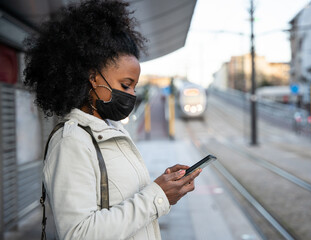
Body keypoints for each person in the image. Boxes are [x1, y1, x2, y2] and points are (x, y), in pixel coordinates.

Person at [23, 1, 201, 239]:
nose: (132, 95)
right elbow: (79, 233)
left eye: (134, 87)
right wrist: (157, 195)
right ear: (92, 77)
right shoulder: (72, 141)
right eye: (125, 85)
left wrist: (165, 187)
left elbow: (128, 206)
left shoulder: (111, 130)